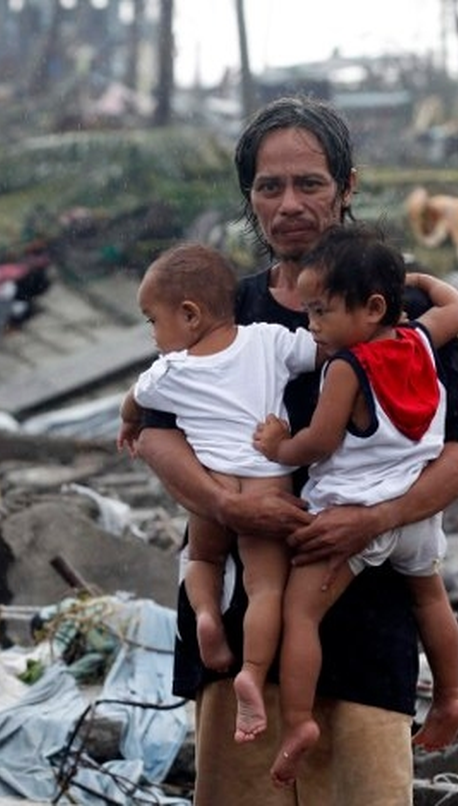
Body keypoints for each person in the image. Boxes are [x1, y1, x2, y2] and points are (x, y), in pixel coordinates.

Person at [130, 95, 458, 805]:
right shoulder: (220, 312)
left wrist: (375, 519)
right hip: (241, 638)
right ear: (250, 199)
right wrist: (224, 506)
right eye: (270, 187)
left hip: (367, 621)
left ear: (347, 187)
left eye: (310, 184)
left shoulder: (391, 309)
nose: (290, 203)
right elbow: (153, 428)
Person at [250, 223, 458, 785]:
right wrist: (416, 280)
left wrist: (280, 444)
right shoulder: (421, 339)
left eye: (321, 312)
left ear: (372, 307)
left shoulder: (348, 367)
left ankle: (298, 721)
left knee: (301, 613)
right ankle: (449, 696)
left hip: (354, 514)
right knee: (429, 601)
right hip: (418, 512)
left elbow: (319, 441)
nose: (311, 325)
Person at [116, 242, 320, 735]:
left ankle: (207, 616)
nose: (153, 333)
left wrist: (127, 424)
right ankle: (251, 674)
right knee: (267, 585)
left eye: (153, 320)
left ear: (188, 315)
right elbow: (322, 349)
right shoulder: (269, 339)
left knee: (204, 560)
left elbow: (135, 402)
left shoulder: (171, 370)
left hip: (212, 481)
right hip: (267, 475)